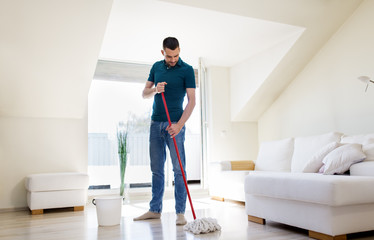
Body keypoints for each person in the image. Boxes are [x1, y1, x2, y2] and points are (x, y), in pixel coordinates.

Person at [133, 37, 196, 225]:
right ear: (163, 53)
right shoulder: (156, 67)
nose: (173, 59)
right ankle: (155, 210)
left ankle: (180, 213)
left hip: (175, 125)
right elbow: (144, 93)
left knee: (179, 170)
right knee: (157, 170)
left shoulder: (187, 70)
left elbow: (192, 102)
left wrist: (179, 125)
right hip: (155, 124)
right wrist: (155, 90)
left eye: (176, 55)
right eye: (169, 56)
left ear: (179, 51)